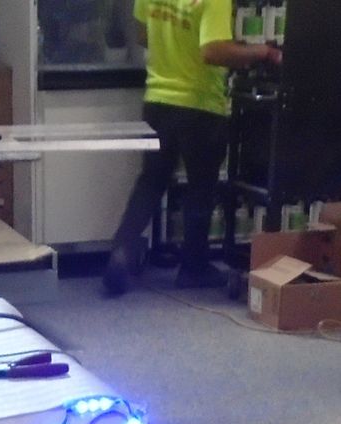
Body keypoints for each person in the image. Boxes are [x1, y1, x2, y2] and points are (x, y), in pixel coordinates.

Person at [104, 1, 281, 296]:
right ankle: (194, 268)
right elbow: (212, 51)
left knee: (151, 181)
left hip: (158, 99)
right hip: (200, 106)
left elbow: (143, 35)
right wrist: (261, 52)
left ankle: (121, 250)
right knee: (201, 189)